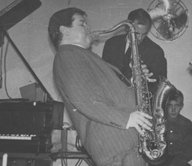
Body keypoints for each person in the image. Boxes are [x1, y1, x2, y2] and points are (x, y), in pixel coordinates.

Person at [48, 7, 153, 166]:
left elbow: (108, 92)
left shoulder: (83, 56)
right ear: (64, 30)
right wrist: (126, 119)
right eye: (82, 24)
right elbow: (85, 100)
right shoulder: (67, 55)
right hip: (117, 145)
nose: (89, 28)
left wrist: (135, 79)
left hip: (126, 143)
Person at [102, 8, 167, 95]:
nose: (139, 38)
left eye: (144, 34)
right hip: (112, 97)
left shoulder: (156, 52)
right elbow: (103, 73)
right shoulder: (111, 44)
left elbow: (159, 86)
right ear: (127, 27)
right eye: (136, 33)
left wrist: (143, 80)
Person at [152, 90, 192, 166]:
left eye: (176, 105)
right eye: (170, 105)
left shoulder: (187, 124)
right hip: (158, 162)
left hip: (179, 163)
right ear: (166, 106)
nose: (173, 109)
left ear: (181, 106)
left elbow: (189, 149)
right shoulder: (157, 121)